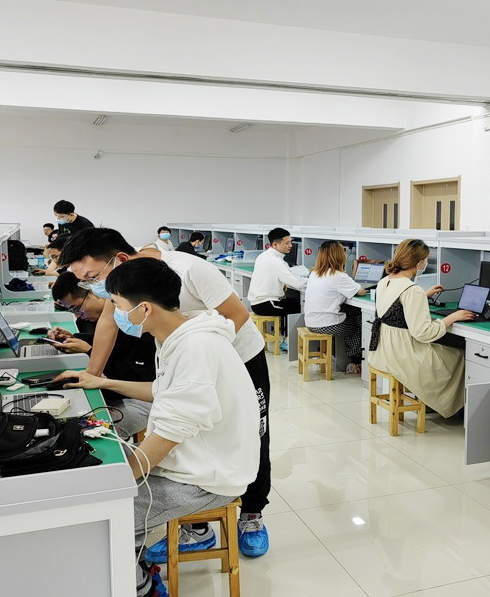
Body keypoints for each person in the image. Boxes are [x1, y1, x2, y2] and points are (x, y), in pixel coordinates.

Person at [58, 227, 273, 557]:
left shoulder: (191, 283)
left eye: (93, 278)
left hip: (233, 367)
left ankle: (251, 515)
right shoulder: (171, 332)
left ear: (120, 261)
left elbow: (236, 317)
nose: (98, 293)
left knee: (102, 512)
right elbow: (164, 390)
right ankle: (193, 531)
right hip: (199, 372)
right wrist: (97, 379)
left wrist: (208, 360)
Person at [367, 239, 474, 417]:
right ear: (418, 263)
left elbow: (396, 308)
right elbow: (423, 333)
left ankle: (434, 402)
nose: (426, 263)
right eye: (425, 260)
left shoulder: (385, 281)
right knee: (460, 356)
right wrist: (452, 317)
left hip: (384, 350)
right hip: (403, 355)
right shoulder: (412, 289)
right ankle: (451, 407)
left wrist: (424, 295)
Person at [49, 271, 154, 437]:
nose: (78, 315)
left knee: (92, 434)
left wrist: (88, 350)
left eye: (77, 308)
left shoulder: (135, 324)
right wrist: (75, 338)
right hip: (117, 390)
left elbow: (134, 376)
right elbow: (115, 347)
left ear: (94, 293)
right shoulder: (112, 319)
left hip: (141, 397)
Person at [304, 240, 365, 374]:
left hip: (311, 322)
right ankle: (355, 361)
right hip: (326, 325)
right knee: (357, 326)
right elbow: (361, 292)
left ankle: (349, 359)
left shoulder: (314, 273)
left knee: (350, 312)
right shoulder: (339, 276)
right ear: (339, 256)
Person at [248, 227, 306, 352]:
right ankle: (289, 342)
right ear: (275, 244)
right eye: (287, 243)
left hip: (258, 303)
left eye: (291, 242)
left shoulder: (263, 256)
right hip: (267, 304)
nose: (290, 246)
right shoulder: (277, 262)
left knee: (292, 302)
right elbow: (298, 284)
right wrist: (314, 281)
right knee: (300, 307)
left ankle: (284, 337)